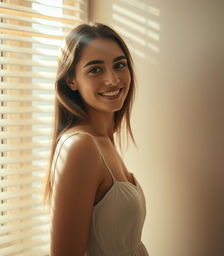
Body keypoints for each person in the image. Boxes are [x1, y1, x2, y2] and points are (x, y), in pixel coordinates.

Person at [43, 22, 149, 256]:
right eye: (95, 69)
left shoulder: (103, 140)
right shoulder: (81, 147)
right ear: (72, 80)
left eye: (119, 65)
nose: (113, 79)